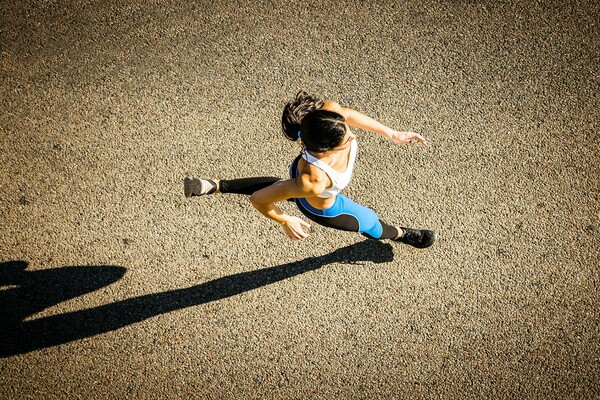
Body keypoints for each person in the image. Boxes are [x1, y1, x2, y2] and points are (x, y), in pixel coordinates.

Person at [184, 91, 436, 248]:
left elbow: (345, 114)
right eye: (345, 139)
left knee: (283, 187)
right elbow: (258, 199)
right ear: (325, 148)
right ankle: (401, 234)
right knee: (370, 222)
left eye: (346, 130)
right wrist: (284, 219)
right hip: (321, 205)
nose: (351, 136)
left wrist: (391, 133)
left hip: (304, 173)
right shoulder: (312, 181)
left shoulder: (328, 116)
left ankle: (212, 186)